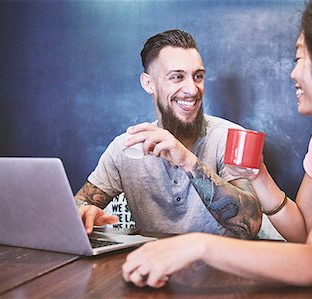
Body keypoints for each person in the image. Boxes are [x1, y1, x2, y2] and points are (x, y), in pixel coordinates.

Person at [121, 0, 312, 297]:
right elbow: (306, 233)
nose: (293, 74)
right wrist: (258, 176)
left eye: (301, 59)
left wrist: (196, 246)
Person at [74, 29, 262, 240]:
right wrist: (85, 212)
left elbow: (251, 224)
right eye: (177, 77)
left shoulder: (230, 137)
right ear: (149, 84)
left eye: (198, 76)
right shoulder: (126, 147)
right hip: (153, 266)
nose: (192, 89)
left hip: (221, 267)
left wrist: (188, 161)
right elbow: (80, 205)